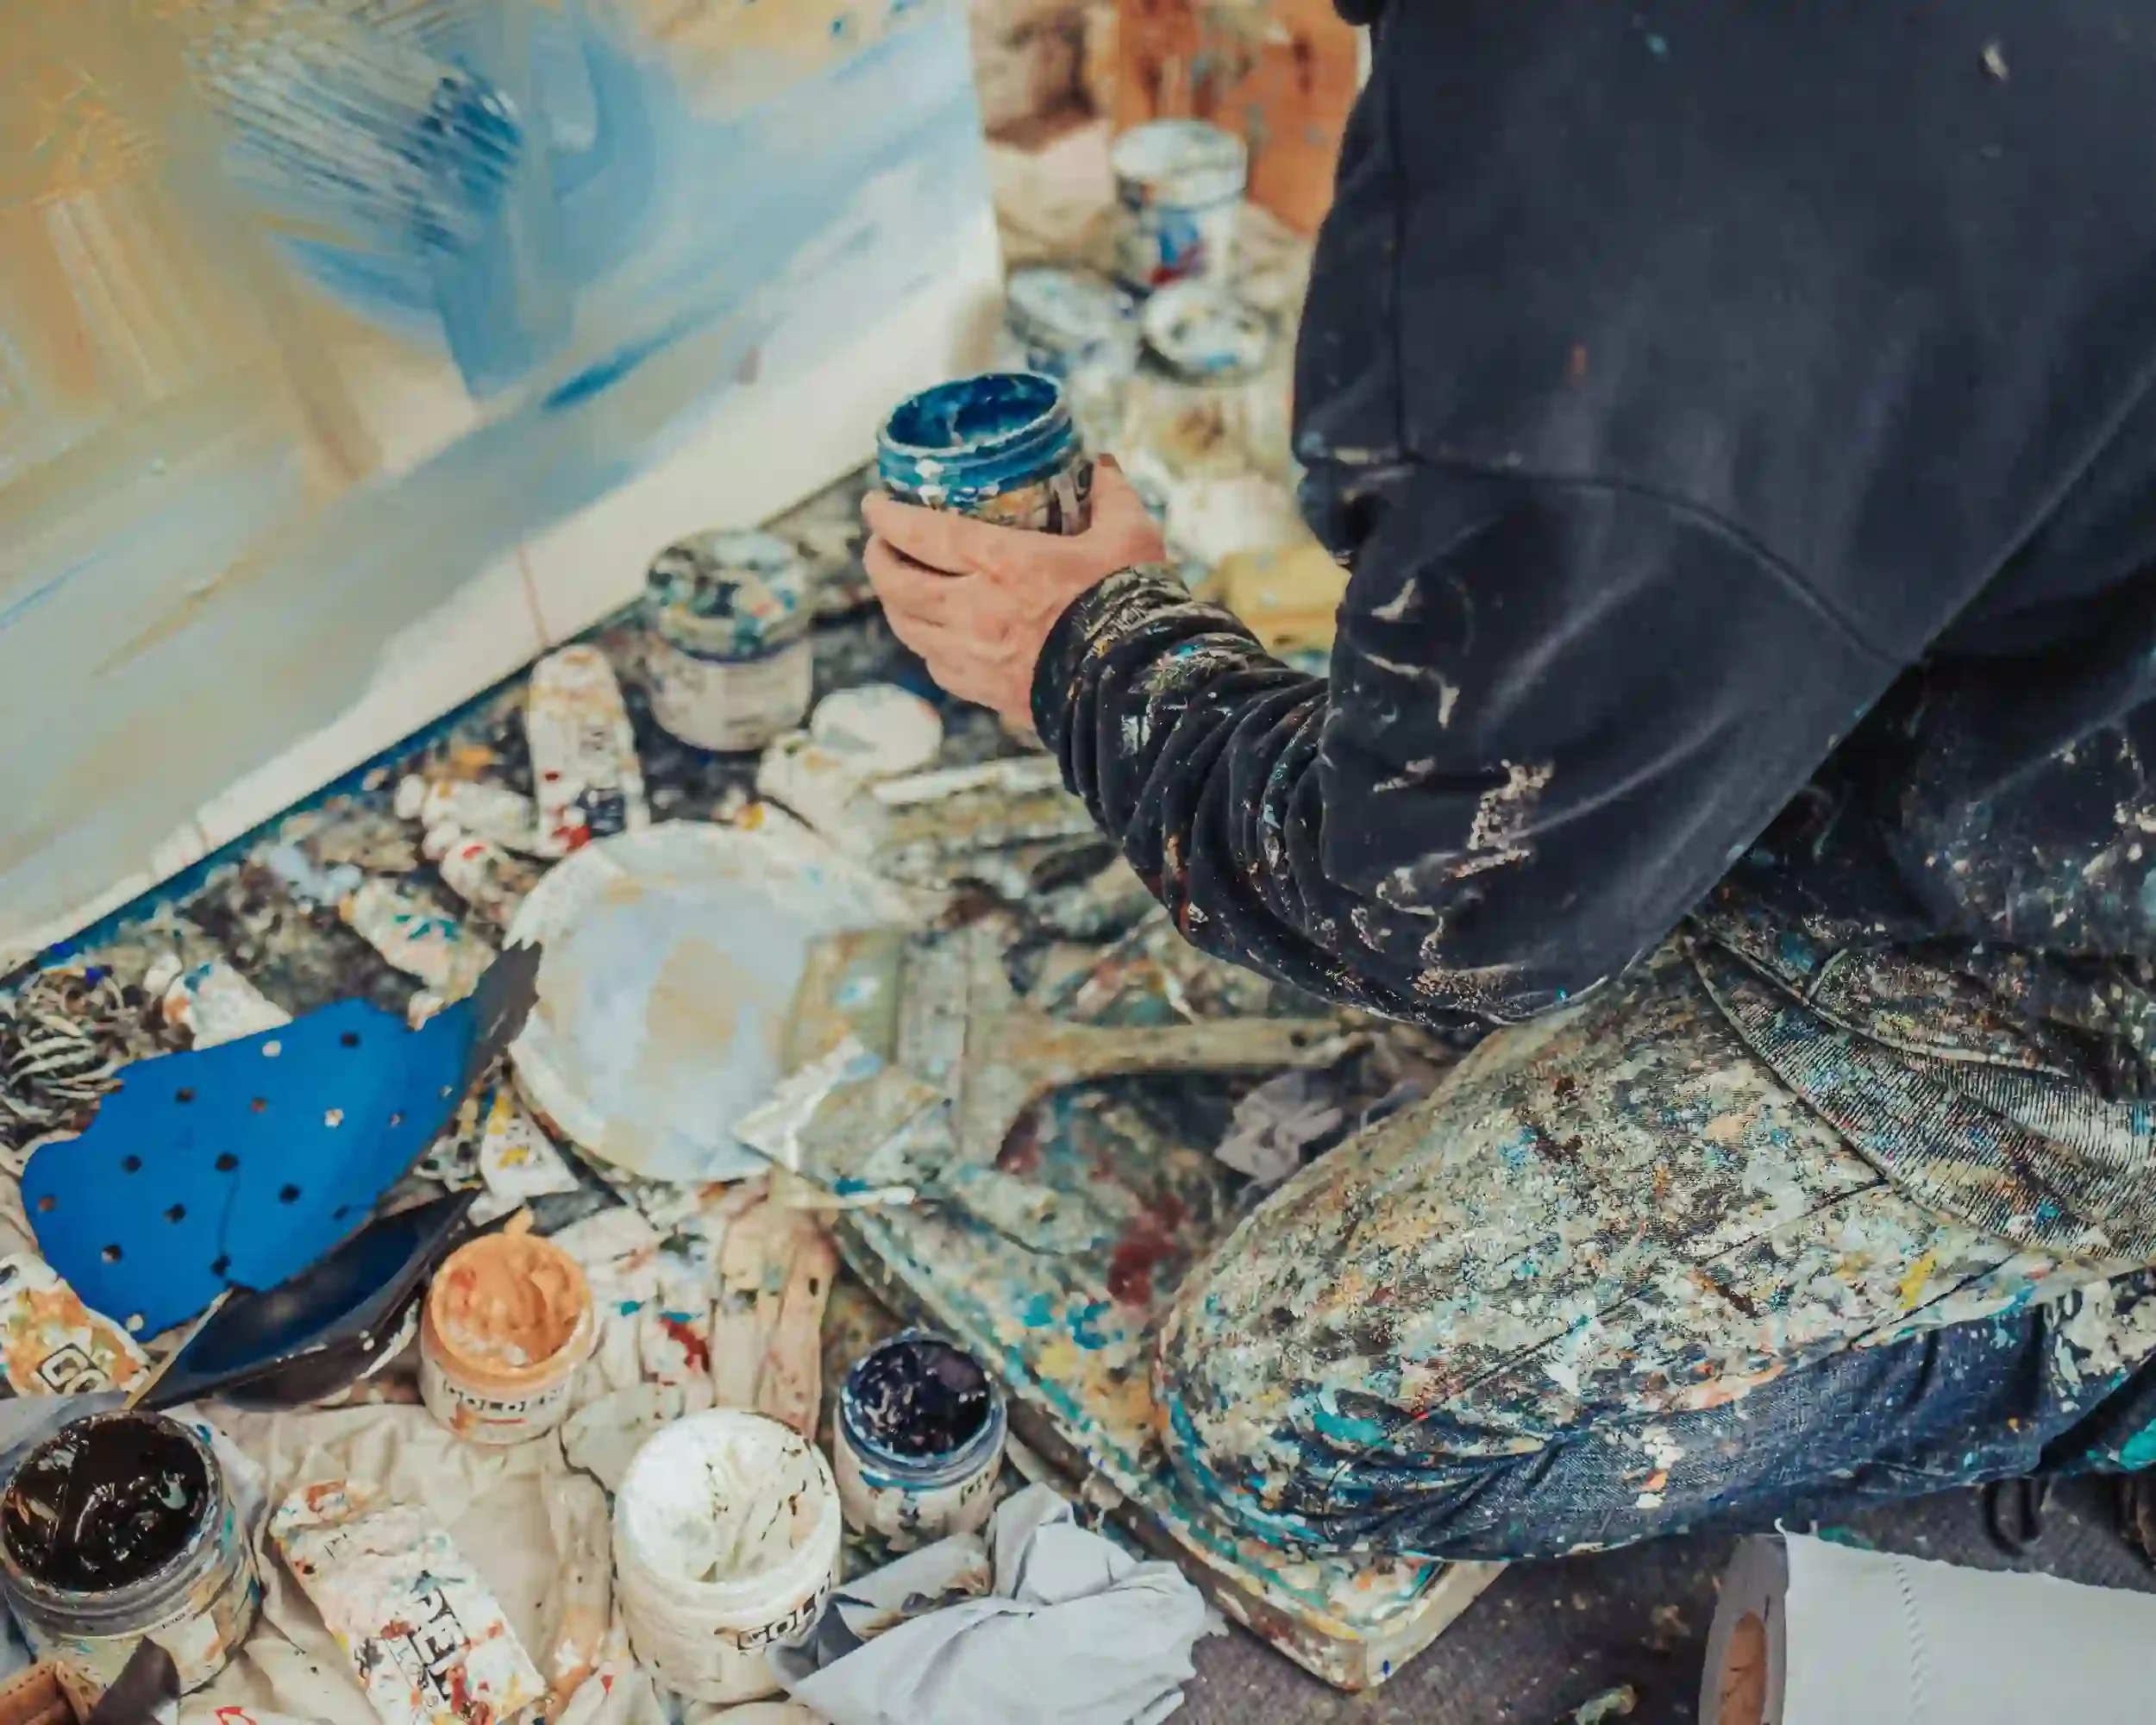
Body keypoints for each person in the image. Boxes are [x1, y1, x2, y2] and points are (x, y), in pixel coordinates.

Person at [861, 1, 2156, 1562]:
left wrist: (1090, 653)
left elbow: (1449, 903)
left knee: (1287, 1408)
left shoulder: (1576, 228)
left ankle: (2106, 1340)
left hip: (2092, 948)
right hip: (2046, 665)